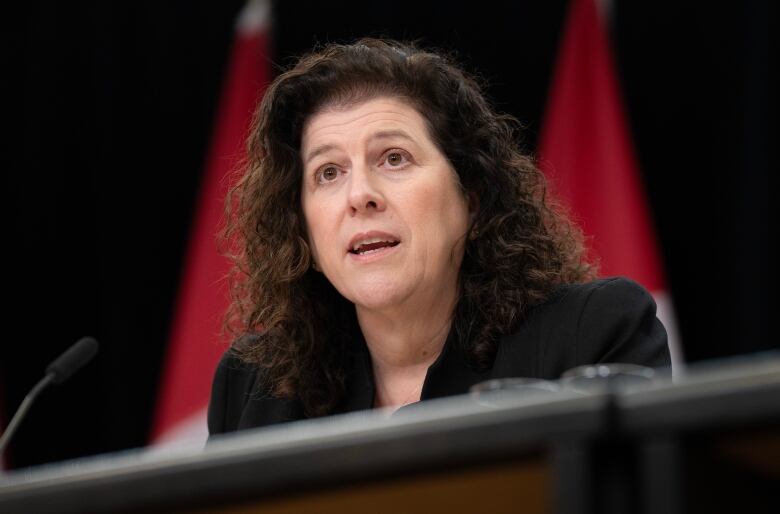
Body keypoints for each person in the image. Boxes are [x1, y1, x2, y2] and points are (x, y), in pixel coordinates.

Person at [208, 38, 670, 435]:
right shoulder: (251, 387)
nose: (360, 195)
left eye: (393, 158)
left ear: (471, 197)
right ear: (303, 236)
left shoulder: (592, 334)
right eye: (328, 172)